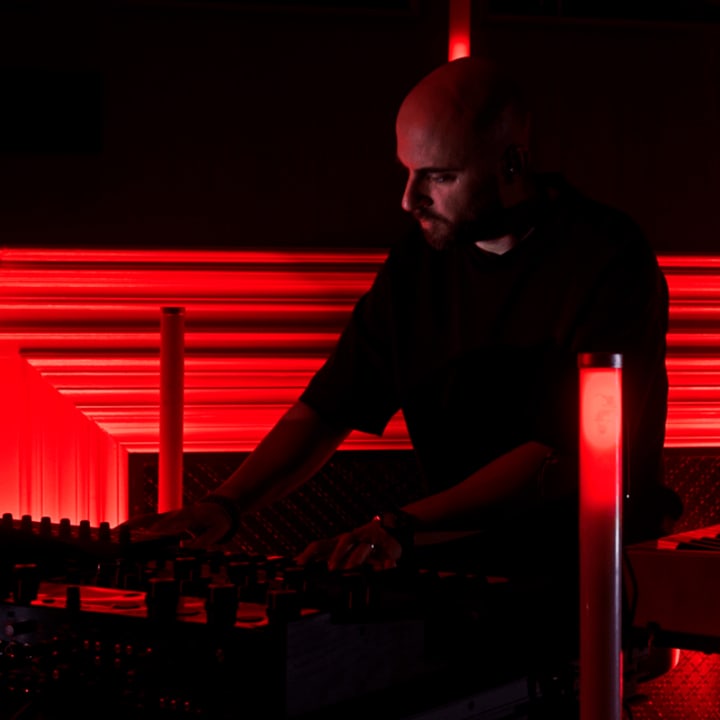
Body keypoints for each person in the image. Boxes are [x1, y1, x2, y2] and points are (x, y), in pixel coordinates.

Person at [130, 55, 680, 581]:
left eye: (439, 177)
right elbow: (328, 407)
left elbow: (563, 456)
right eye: (409, 172)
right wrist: (225, 504)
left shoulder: (607, 257)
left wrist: (399, 526)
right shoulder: (419, 261)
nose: (409, 199)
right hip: (463, 568)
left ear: (512, 164)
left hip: (593, 577)